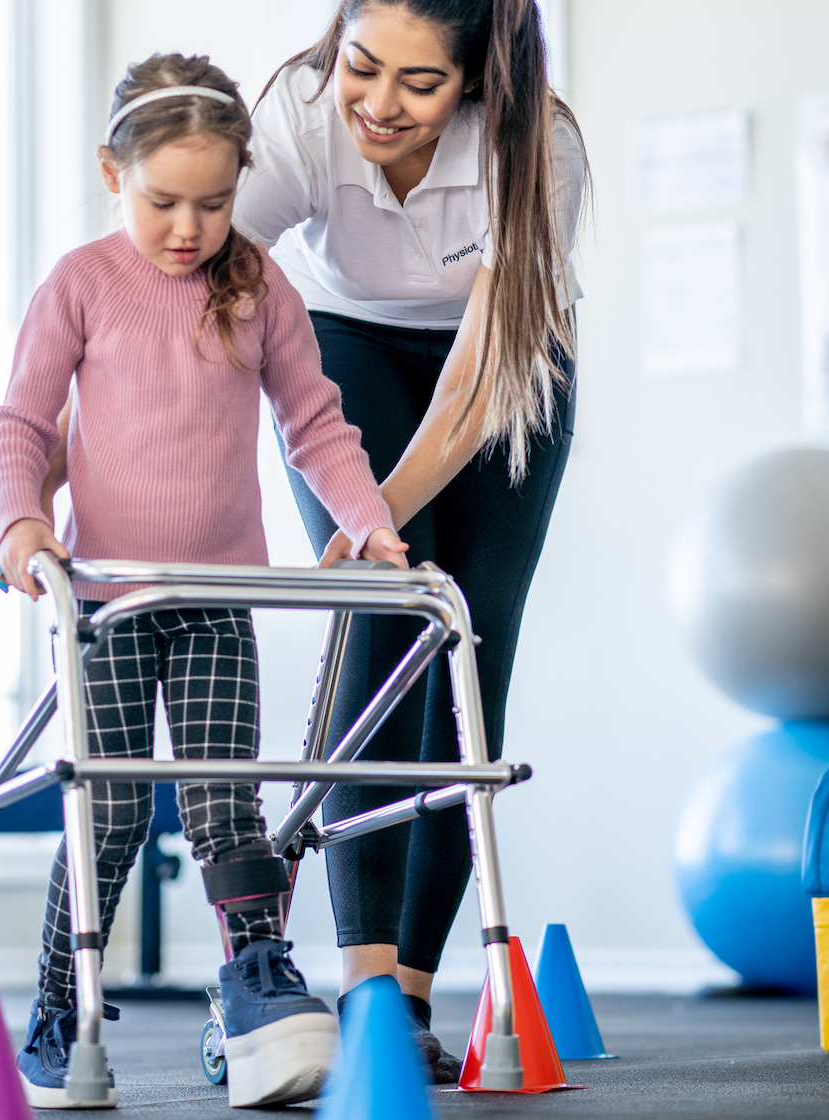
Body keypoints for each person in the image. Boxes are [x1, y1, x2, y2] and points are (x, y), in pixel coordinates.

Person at [0, 52, 409, 1110]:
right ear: (110, 173)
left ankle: (258, 984)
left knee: (227, 806)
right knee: (111, 816)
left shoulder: (257, 283)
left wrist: (371, 522)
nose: (189, 226)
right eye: (164, 201)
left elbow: (314, 424)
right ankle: (59, 1004)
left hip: (214, 598)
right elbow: (22, 426)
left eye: (213, 203)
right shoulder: (79, 284)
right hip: (109, 602)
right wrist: (21, 521)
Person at [232, 0, 588, 1083]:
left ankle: (416, 996)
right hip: (342, 337)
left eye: (419, 84)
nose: (379, 104)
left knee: (465, 645)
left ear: (477, 82)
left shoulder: (541, 150)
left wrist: (378, 506)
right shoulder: (299, 111)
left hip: (504, 364)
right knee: (384, 617)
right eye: (363, 66)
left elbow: (480, 374)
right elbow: (188, 284)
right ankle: (365, 981)